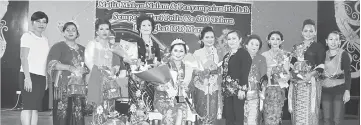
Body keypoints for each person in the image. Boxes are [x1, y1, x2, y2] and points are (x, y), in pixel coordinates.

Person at [84, 19, 125, 125]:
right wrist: (101, 71)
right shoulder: (92, 44)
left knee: (110, 107)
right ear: (97, 31)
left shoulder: (112, 46)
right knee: (98, 107)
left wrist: (114, 70)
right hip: (97, 79)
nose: (104, 31)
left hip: (110, 81)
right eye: (101, 29)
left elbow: (117, 63)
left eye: (107, 29)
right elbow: (88, 61)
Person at [46, 21, 87, 125]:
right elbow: (52, 64)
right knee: (62, 116)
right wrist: (69, 67)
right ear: (63, 33)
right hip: (62, 87)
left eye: (73, 30)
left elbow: (88, 67)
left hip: (78, 87)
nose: (70, 32)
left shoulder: (83, 49)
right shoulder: (58, 47)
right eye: (67, 30)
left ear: (77, 33)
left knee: (78, 115)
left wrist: (84, 70)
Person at [289, 19, 326, 125]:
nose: (308, 33)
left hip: (311, 83)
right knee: (297, 112)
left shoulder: (319, 47)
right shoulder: (296, 47)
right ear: (301, 32)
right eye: (305, 31)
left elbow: (321, 66)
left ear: (315, 32)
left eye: (311, 31)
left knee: (310, 111)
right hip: (297, 85)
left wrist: (310, 75)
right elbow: (292, 64)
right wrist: (290, 72)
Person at [19, 11, 50, 125]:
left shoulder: (45, 40)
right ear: (32, 22)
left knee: (35, 107)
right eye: (38, 21)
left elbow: (45, 61)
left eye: (44, 22)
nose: (41, 24)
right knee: (28, 106)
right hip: (29, 75)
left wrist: (46, 78)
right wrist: (27, 78)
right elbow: (23, 57)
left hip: (41, 77)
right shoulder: (27, 36)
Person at [191, 26, 223, 124]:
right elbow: (194, 71)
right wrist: (203, 75)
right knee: (202, 113)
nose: (210, 39)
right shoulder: (197, 53)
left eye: (212, 37)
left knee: (212, 113)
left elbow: (222, 69)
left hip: (214, 87)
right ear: (202, 39)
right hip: (201, 87)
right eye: (207, 37)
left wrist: (217, 73)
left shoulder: (218, 52)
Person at [221, 30, 252, 125]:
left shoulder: (243, 54)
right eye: (229, 39)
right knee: (229, 116)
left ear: (240, 40)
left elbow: (245, 72)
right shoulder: (227, 56)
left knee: (238, 117)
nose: (231, 41)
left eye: (234, 38)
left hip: (238, 90)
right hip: (227, 91)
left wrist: (242, 89)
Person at [321, 31, 351, 125]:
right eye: (331, 39)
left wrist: (347, 90)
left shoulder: (344, 54)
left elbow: (347, 73)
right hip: (325, 90)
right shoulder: (322, 54)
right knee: (326, 119)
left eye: (336, 39)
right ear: (326, 41)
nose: (333, 42)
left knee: (337, 119)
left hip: (339, 89)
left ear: (339, 42)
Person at [261, 31, 291, 125]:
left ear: (282, 41)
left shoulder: (285, 55)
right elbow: (261, 72)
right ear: (268, 41)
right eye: (272, 39)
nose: (275, 41)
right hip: (267, 88)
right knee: (267, 112)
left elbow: (287, 72)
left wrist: (286, 77)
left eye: (278, 39)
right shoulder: (264, 55)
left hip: (279, 88)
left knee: (277, 113)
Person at [243, 35, 267, 125]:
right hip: (241, 93)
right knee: (241, 118)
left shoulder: (261, 59)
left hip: (254, 93)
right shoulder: (240, 57)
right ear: (246, 45)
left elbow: (264, 76)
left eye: (257, 45)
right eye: (252, 44)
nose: (254, 46)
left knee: (252, 118)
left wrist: (263, 90)